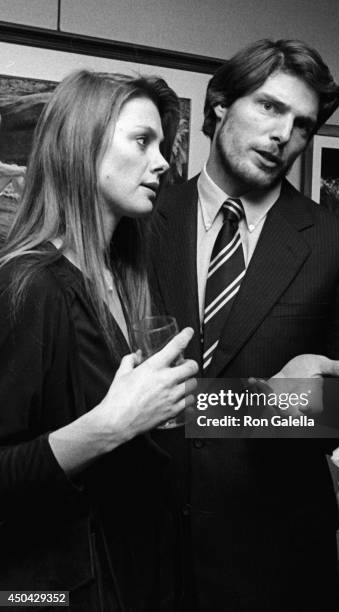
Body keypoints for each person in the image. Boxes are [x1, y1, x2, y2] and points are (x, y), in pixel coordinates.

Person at [148, 38, 339, 611]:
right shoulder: (140, 218)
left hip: (274, 561)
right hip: (144, 548)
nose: (285, 135)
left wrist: (301, 405)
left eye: (302, 124)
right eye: (270, 107)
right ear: (221, 105)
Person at [0, 69, 199, 611]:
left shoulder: (126, 277)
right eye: (142, 140)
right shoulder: (31, 284)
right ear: (82, 147)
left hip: (138, 572)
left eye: (163, 145)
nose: (163, 162)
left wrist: (286, 399)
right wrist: (111, 425)